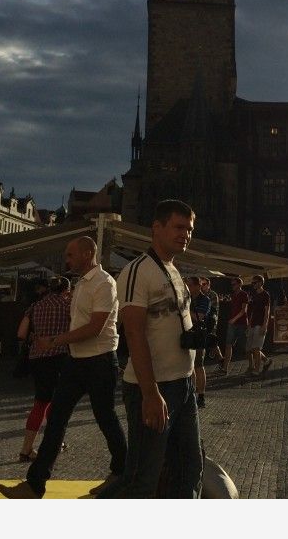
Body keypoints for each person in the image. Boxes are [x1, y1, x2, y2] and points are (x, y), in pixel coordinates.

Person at [0, 236, 127, 499]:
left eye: (70, 255)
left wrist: (54, 341)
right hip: (77, 360)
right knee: (56, 418)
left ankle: (123, 472)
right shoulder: (81, 284)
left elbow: (95, 327)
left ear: (88, 253)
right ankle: (35, 484)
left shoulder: (104, 283)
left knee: (105, 417)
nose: (66, 260)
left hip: (100, 360)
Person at [98, 199, 201, 499]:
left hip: (183, 384)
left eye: (190, 229)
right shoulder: (137, 271)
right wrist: (150, 393)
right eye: (179, 227)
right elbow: (133, 332)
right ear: (157, 228)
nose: (186, 235)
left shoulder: (175, 270)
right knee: (141, 479)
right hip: (155, 387)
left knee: (188, 469)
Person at [13, 276, 70, 463]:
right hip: (59, 356)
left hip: (37, 358)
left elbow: (21, 333)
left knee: (40, 403)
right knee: (58, 403)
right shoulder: (67, 306)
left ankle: (26, 448)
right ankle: (55, 442)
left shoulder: (35, 306)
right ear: (66, 290)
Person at [186, 276, 215, 409]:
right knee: (189, 366)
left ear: (198, 286)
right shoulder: (187, 298)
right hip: (188, 334)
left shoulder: (205, 299)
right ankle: (191, 394)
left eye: (190, 285)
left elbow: (201, 316)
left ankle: (201, 395)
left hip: (198, 335)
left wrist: (184, 310)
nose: (188, 287)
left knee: (198, 365)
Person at [220, 277, 249, 376]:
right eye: (231, 284)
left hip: (241, 323)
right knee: (228, 345)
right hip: (232, 323)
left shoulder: (244, 294)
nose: (232, 286)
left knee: (247, 346)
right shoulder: (233, 295)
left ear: (239, 284)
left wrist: (234, 319)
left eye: (234, 284)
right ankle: (225, 367)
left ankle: (260, 361)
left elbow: (243, 310)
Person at [246, 275, 272, 376]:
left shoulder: (266, 295)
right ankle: (266, 361)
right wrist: (249, 323)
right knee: (252, 348)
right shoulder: (253, 294)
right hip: (253, 323)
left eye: (255, 282)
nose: (253, 284)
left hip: (260, 323)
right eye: (252, 283)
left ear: (261, 283)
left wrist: (265, 325)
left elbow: (267, 311)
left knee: (256, 348)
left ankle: (256, 370)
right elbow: (252, 310)